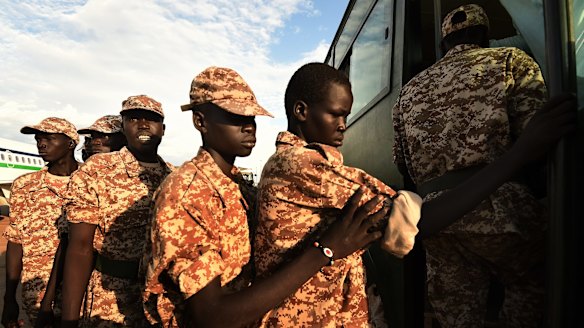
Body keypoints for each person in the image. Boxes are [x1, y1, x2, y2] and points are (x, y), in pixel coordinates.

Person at [142, 66, 390, 328]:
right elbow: (212, 316)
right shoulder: (185, 193)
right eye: (235, 116)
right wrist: (325, 251)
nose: (249, 127)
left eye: (252, 117)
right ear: (200, 121)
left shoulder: (240, 187)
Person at [392, 4, 577, 327]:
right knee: (532, 288)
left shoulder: (407, 91)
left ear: (444, 45)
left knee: (458, 316)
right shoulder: (510, 61)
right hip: (505, 215)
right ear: (485, 37)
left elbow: (402, 163)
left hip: (437, 220)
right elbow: (538, 140)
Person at [253, 62, 421, 327]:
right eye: (335, 114)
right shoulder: (299, 162)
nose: (343, 125)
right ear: (301, 111)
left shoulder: (287, 160)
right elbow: (401, 211)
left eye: (346, 116)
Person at [60, 95, 173, 327]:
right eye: (133, 119)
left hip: (164, 300)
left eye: (151, 119)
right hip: (110, 300)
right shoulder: (99, 170)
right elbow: (80, 248)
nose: (143, 125)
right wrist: (69, 319)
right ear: (123, 127)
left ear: (162, 129)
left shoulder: (174, 177)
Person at [1, 117, 80, 327]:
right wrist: (9, 298)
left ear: (71, 143)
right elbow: (16, 242)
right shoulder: (25, 186)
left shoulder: (91, 182)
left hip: (82, 290)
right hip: (36, 289)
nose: (41, 144)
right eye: (38, 139)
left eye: (49, 138)